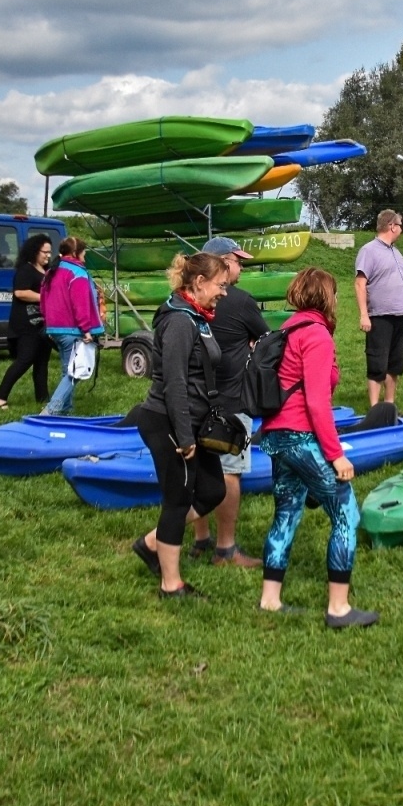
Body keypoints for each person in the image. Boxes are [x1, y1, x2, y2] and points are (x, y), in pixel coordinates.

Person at [258, 267, 377, 627]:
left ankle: (270, 599)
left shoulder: (287, 328)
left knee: (286, 513)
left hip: (276, 436)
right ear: (327, 297)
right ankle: (338, 608)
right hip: (300, 437)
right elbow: (316, 403)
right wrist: (335, 454)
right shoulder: (317, 336)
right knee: (346, 513)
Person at [129, 252, 230, 598]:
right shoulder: (179, 322)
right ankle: (171, 585)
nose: (224, 292)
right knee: (177, 500)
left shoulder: (197, 317)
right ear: (199, 283)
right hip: (168, 422)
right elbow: (174, 383)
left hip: (193, 421)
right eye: (221, 285)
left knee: (213, 489)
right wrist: (185, 438)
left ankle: (151, 543)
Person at [188, 236, 266, 567]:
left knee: (197, 471)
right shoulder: (242, 301)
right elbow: (264, 339)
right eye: (237, 261)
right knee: (229, 473)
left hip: (195, 400)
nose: (241, 267)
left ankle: (200, 538)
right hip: (232, 403)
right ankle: (226, 549)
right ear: (221, 262)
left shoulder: (187, 301)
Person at [354, 209, 403, 406]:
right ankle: (374, 408)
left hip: (399, 316)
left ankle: (389, 405)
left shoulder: (396, 252)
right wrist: (364, 315)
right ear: (391, 226)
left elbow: (402, 281)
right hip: (380, 317)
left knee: (395, 363)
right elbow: (359, 283)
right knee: (377, 362)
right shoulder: (369, 251)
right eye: (400, 225)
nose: (401, 229)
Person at [39, 237, 104, 416]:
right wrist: (86, 330)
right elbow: (80, 304)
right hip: (72, 329)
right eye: (83, 251)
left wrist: (48, 324)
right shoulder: (77, 273)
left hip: (55, 328)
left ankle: (65, 411)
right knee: (75, 372)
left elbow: (43, 301)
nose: (85, 255)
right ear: (76, 253)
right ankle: (51, 410)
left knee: (67, 369)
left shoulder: (51, 271)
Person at [0, 233, 53, 410]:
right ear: (35, 251)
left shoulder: (47, 271)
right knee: (25, 360)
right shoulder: (25, 270)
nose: (48, 255)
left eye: (50, 252)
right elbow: (20, 292)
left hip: (43, 325)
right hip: (26, 325)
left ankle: (43, 399)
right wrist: (44, 298)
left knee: (42, 363)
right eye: (44, 252)